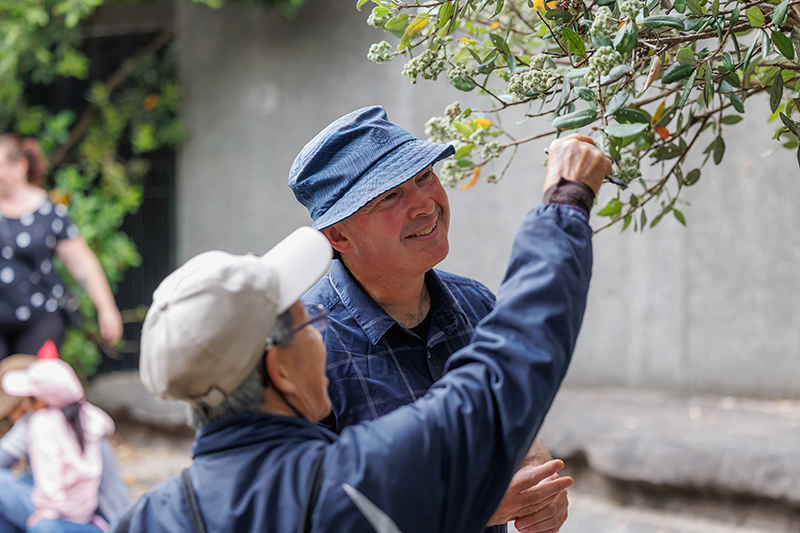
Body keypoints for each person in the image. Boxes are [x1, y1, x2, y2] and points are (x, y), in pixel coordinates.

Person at [108, 133, 610, 533]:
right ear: (279, 368)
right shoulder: (348, 485)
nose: (314, 324)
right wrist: (566, 200)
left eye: (425, 177)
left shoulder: (149, 518)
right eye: (302, 323)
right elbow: (507, 372)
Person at [290, 106, 569, 532]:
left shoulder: (476, 304)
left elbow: (515, 425)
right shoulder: (303, 347)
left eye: (424, 177)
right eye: (389, 196)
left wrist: (537, 483)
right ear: (339, 236)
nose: (425, 206)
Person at [0, 135, 123, 361]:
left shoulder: (48, 212)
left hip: (40, 318)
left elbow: (81, 262)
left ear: (19, 167)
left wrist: (106, 308)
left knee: (30, 386)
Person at [0, 355, 130, 533]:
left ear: (38, 401)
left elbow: (50, 489)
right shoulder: (92, 419)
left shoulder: (42, 423)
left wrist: (44, 515)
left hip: (81, 520)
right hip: (98, 520)